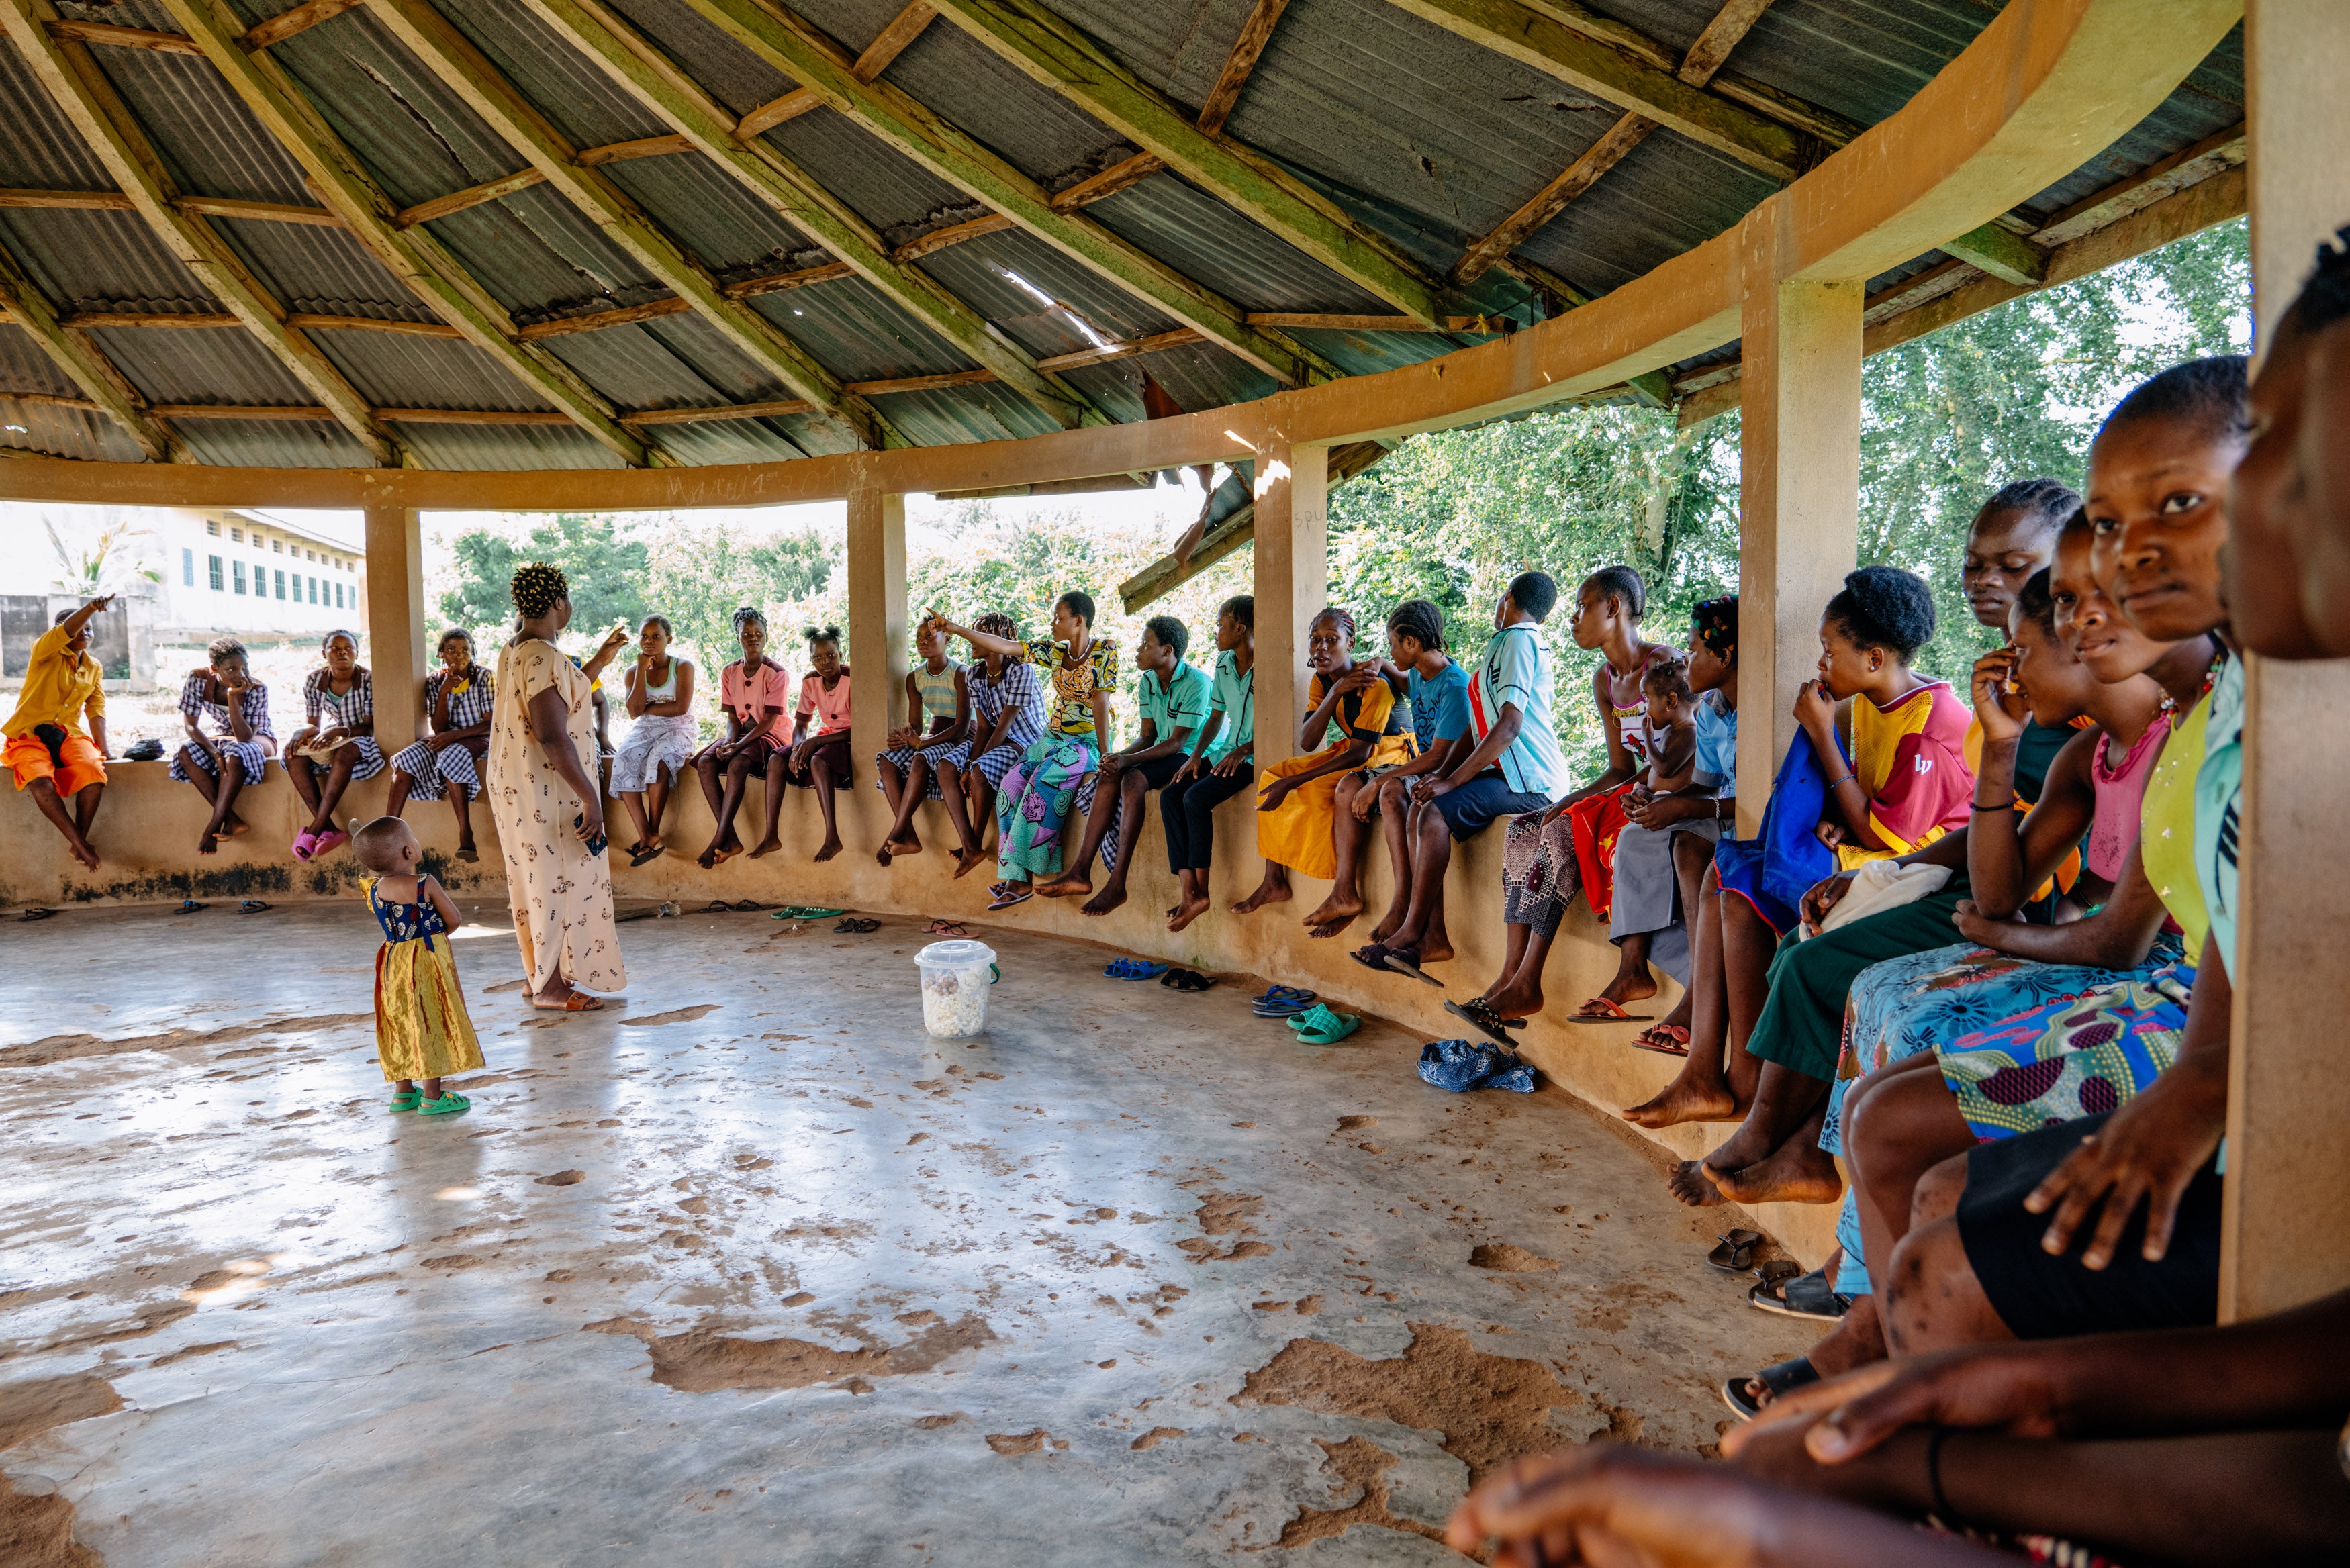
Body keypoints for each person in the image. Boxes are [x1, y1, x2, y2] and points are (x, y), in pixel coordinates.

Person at [1724, 547, 2190, 1416]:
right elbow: (2003, 884)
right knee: (1879, 1005)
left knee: (1899, 1052)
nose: (2002, 671)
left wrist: (2002, 934)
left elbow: (2120, 941)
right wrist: (2004, 754)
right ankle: (1877, 1310)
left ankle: (1886, 1333)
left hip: (2151, 985)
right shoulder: (2087, 758)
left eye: (2020, 652)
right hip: (2086, 953)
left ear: (2087, 642)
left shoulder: (2178, 746)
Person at [1876, 356, 2251, 1356]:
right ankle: (1875, 1345)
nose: (2115, 580)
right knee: (1888, 1037)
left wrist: (2206, 1085)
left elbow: (2133, 942)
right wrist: (2000, 753)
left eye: (2176, 505)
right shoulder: (2195, 723)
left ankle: (1889, 1369)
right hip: (2209, 1039)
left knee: (1924, 1167)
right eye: (2109, 530)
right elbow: (2234, 928)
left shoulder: (2213, 721)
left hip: (2188, 1024)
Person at [1682, 566, 1973, 1210]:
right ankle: (1752, 1100)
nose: (1820, 662)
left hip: (1925, 877)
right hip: (1878, 862)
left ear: (1873, 659)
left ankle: (1776, 1132)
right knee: (1744, 894)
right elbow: (1871, 809)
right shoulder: (1873, 704)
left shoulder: (1931, 725)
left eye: (1829, 651)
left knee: (1808, 953)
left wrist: (1820, 730)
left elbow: (1890, 832)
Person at [1452, 652, 1703, 1042]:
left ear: (1614, 607)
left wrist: (1645, 762)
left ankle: (1528, 982)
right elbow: (1633, 772)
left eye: (1584, 607)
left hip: (1667, 810)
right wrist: (1580, 797)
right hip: (1632, 795)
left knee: (1559, 836)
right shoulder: (1608, 680)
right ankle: (1510, 975)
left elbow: (1671, 772)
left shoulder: (1674, 680)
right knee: (1522, 830)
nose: (1573, 619)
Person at [1364, 571, 1572, 978]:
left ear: (1508, 598)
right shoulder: (1505, 644)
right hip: (1508, 775)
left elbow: (1509, 726)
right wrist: (1444, 775)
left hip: (1531, 782)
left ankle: (1412, 932)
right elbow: (1474, 731)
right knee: (1423, 805)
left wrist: (1452, 781)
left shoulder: (1519, 640)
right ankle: (1432, 936)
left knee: (1435, 811)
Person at [485, 562, 625, 1012]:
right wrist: (590, 797)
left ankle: (540, 975)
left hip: (517, 786)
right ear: (559, 603)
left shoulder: (515, 650)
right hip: (548, 789)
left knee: (534, 881)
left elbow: (563, 689)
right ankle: (550, 988)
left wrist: (601, 659)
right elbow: (551, 733)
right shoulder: (543, 657)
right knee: (560, 880)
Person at [922, 595, 1117, 912]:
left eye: (1058, 618)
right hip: (1051, 739)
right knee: (1011, 786)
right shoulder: (1053, 652)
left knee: (1039, 786)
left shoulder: (1105, 650)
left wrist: (1106, 752)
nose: (1052, 624)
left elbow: (1101, 702)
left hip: (1085, 744)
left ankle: (1024, 879)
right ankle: (1017, 877)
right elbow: (1003, 646)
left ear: (1079, 620)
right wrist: (955, 628)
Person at [1619, 594, 1740, 1076]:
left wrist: (1686, 807)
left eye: (1693, 648)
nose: (1686, 659)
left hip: (1750, 824)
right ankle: (1633, 968)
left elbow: (1763, 802)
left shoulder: (1761, 712)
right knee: (1634, 837)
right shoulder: (1712, 711)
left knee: (1690, 848)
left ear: (1725, 656)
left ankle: (1698, 995)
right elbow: (1703, 785)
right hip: (1716, 812)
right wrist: (1658, 802)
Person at [1234, 607, 1415, 914]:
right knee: (1271, 776)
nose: (1322, 647)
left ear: (1351, 644)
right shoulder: (1322, 681)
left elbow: (1361, 754)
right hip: (1354, 749)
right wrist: (1335, 692)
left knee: (1315, 791)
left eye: (1332, 639)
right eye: (1315, 640)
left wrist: (1294, 782)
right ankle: (1273, 880)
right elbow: (1307, 741)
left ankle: (1342, 890)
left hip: (1388, 753)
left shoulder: (1375, 683)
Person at [1038, 614, 1207, 916]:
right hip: (1164, 750)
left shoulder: (1196, 682)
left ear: (1167, 651)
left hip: (1193, 754)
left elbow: (1178, 744)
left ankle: (1117, 883)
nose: (1138, 650)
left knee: (1132, 780)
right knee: (1109, 775)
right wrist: (1116, 758)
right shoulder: (1148, 681)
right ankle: (1080, 871)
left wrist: (1128, 760)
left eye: (1146, 644)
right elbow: (1147, 737)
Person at [1321, 600, 1467, 946]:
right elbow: (1405, 682)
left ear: (1411, 643)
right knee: (1349, 784)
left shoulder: (1455, 686)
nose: (1387, 649)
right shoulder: (1419, 672)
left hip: (1448, 772)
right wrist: (1384, 664)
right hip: (1428, 765)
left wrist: (1385, 780)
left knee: (1389, 792)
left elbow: (1440, 757)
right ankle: (1345, 891)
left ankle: (1402, 901)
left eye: (1391, 644)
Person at [350, 813, 482, 1117]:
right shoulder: (425, 883)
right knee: (429, 1020)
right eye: (413, 839)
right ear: (409, 852)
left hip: (392, 959)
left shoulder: (374, 889)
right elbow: (454, 920)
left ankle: (403, 1093)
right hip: (426, 958)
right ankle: (433, 1097)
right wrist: (434, 937)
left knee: (399, 1020)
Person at [1165, 596, 1256, 933]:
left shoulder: (1271, 663)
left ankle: (1201, 893)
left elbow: (1282, 724)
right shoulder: (1223, 663)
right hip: (1225, 753)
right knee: (1172, 794)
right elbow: (1216, 716)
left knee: (1196, 798)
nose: (1216, 631)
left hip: (1254, 757)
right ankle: (1189, 891)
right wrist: (1194, 756)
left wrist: (1245, 749)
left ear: (1240, 627)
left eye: (1221, 623)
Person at [930, 611, 1045, 877]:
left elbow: (1004, 727)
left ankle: (975, 845)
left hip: (1024, 744)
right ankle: (970, 844)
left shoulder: (1021, 671)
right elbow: (982, 727)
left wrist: (973, 768)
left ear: (999, 639)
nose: (973, 639)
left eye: (979, 633)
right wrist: (968, 764)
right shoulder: (975, 675)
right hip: (996, 739)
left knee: (980, 772)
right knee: (946, 766)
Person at [3, 594, 112, 872]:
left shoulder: (94, 667)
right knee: (40, 783)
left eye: (89, 628)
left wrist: (104, 748)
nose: (84, 632)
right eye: (78, 627)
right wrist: (90, 608)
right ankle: (81, 844)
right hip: (29, 733)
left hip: (68, 734)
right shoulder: (45, 651)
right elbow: (65, 630)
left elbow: (95, 708)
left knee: (93, 772)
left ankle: (79, 842)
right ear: (59, 632)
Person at [386, 629, 496, 863]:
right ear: (441, 654)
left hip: (478, 737)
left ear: (473, 652)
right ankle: (388, 829)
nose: (459, 656)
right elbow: (438, 727)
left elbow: (490, 724)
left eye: (465, 650)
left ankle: (466, 834)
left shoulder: (485, 677)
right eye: (452, 650)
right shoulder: (435, 682)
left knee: (451, 756)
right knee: (406, 759)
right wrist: (444, 692)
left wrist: (454, 736)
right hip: (448, 737)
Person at [694, 607, 792, 869]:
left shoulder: (777, 673)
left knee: (738, 765)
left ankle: (719, 836)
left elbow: (769, 721)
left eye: (758, 633)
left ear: (767, 637)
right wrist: (729, 741)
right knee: (706, 763)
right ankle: (732, 839)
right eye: (746, 633)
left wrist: (738, 746)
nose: (753, 638)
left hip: (769, 734)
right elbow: (731, 718)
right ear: (737, 637)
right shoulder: (729, 672)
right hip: (741, 734)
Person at [169, 636, 276, 857]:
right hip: (223, 738)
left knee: (236, 751)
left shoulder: (257, 688)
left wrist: (233, 698)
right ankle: (232, 820)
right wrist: (214, 753)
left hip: (259, 739)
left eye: (245, 667)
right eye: (232, 669)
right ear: (214, 668)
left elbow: (246, 737)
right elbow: (191, 726)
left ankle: (213, 826)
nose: (241, 674)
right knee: (185, 752)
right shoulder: (198, 679)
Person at [876, 618, 968, 865]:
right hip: (933, 737)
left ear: (947, 639)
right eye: (918, 638)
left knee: (920, 759)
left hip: (959, 739)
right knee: (887, 759)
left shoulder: (960, 673)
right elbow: (916, 726)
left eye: (929, 636)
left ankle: (896, 831)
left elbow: (962, 727)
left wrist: (921, 745)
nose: (923, 642)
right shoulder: (914, 678)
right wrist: (905, 739)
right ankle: (909, 837)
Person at [281, 630, 380, 862]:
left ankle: (315, 830)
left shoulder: (368, 680)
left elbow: (368, 727)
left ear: (357, 653)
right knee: (294, 756)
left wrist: (336, 730)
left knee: (345, 752)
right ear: (324, 653)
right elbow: (313, 724)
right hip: (336, 737)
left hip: (360, 739)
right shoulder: (314, 681)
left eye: (349, 648)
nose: (342, 652)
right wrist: (300, 732)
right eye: (335, 648)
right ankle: (329, 828)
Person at [608, 616, 696, 867]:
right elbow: (634, 711)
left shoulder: (682, 667)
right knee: (623, 758)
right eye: (644, 636)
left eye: (656, 636)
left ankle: (653, 831)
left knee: (659, 758)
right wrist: (640, 668)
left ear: (669, 639)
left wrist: (647, 708)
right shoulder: (633, 672)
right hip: (646, 727)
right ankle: (645, 834)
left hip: (679, 727)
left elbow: (680, 708)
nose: (649, 642)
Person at [784, 625, 853, 862]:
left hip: (848, 740)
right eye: (818, 657)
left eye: (831, 655)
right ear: (811, 659)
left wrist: (814, 742)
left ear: (841, 655)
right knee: (776, 759)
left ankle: (832, 836)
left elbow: (858, 730)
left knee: (818, 759)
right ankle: (772, 834)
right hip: (825, 737)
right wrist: (796, 748)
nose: (825, 662)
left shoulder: (852, 678)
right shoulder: (811, 682)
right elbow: (802, 724)